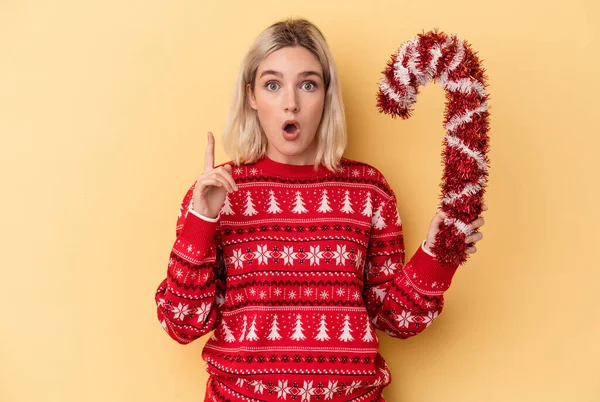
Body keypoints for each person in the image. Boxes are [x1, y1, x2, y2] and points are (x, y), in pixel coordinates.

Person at [155, 17, 487, 402]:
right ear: (251, 96)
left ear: (326, 94)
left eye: (308, 84)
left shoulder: (368, 190)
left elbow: (393, 320)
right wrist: (201, 222)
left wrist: (437, 256)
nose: (290, 102)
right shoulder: (217, 193)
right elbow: (181, 324)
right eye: (273, 85)